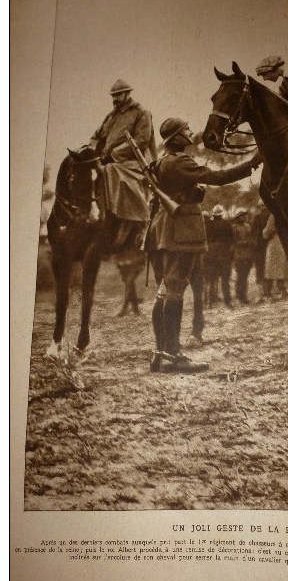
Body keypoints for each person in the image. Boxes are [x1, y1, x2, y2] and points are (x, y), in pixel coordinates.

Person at [146, 117, 260, 373]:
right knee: (175, 289)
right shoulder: (180, 161)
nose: (190, 132)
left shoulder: (164, 161)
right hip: (182, 228)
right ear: (175, 138)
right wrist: (251, 164)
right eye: (185, 130)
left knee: (165, 289)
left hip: (168, 227)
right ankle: (172, 355)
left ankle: (160, 352)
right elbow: (216, 177)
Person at [90, 79, 157, 243]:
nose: (115, 99)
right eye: (113, 96)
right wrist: (90, 151)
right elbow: (95, 137)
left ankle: (143, 222)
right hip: (110, 161)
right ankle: (100, 214)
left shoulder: (142, 112)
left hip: (137, 161)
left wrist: (114, 153)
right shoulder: (110, 116)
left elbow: (142, 140)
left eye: (118, 95)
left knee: (115, 171)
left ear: (128, 94)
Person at [204, 204, 234, 308]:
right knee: (225, 280)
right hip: (224, 254)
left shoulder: (208, 225)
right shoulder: (226, 224)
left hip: (211, 255)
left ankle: (209, 303)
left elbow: (205, 240)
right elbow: (231, 240)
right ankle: (228, 302)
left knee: (211, 279)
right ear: (221, 214)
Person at [231, 208, 256, 305]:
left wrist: (251, 243)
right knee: (241, 276)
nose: (243, 217)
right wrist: (244, 242)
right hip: (239, 254)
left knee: (245, 276)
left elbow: (251, 237)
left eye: (244, 215)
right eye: (241, 215)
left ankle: (242, 295)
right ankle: (240, 295)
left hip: (248, 254)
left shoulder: (247, 226)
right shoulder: (234, 227)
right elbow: (234, 241)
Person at [261, 213, 288, 301]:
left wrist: (266, 232)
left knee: (271, 267)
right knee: (280, 267)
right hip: (284, 241)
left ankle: (269, 292)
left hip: (275, 242)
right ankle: (282, 289)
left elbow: (266, 232)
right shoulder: (286, 212)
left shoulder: (273, 215)